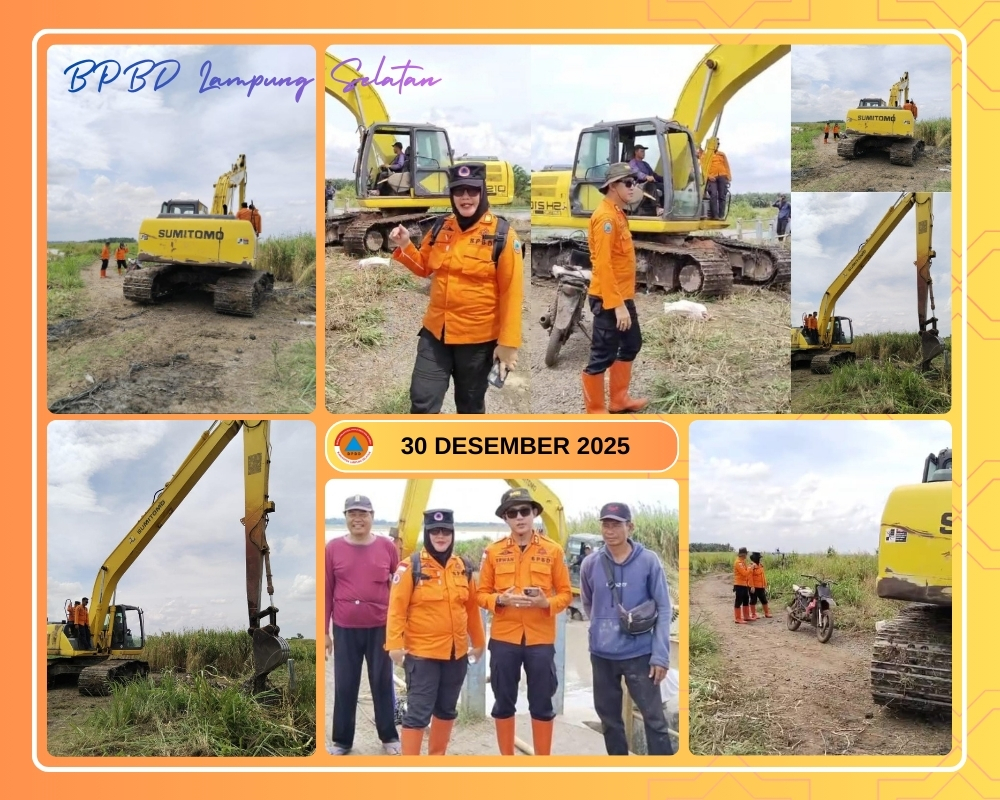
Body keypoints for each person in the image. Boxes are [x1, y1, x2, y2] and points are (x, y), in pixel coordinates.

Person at [388, 163, 523, 415]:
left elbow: (512, 293)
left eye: (472, 190)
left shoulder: (503, 235)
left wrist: (508, 344)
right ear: (451, 195)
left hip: (477, 341)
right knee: (422, 402)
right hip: (435, 334)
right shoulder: (441, 227)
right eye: (458, 191)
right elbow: (424, 267)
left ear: (482, 193)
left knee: (470, 407)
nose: (465, 197)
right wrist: (405, 244)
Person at [477, 487, 573, 756]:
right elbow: (480, 594)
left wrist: (546, 604)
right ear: (505, 518)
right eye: (512, 513)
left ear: (534, 514)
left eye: (524, 511)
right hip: (504, 638)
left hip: (540, 639)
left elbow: (566, 594)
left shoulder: (553, 551)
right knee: (503, 702)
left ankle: (542, 763)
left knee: (542, 703)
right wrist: (499, 600)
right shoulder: (493, 552)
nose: (519, 517)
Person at [386, 509, 486, 755]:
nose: (440, 536)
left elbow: (472, 608)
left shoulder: (462, 567)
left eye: (445, 531)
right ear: (427, 534)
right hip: (422, 655)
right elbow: (396, 609)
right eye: (434, 531)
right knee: (418, 713)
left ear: (452, 534)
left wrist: (480, 642)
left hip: (456, 655)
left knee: (447, 709)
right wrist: (394, 646)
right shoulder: (411, 567)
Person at [580, 502, 674, 756]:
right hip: (602, 656)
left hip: (640, 655)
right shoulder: (590, 564)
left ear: (629, 527)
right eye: (605, 524)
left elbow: (664, 609)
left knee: (655, 721)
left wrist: (660, 655)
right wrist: (602, 629)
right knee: (609, 721)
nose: (609, 530)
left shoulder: (648, 561)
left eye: (616, 525)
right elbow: (589, 603)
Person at [324, 494, 401, 756]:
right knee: (345, 684)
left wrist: (399, 630)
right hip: (345, 628)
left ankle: (389, 736)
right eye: (352, 513)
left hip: (380, 626)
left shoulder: (387, 547)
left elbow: (398, 588)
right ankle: (342, 741)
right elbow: (326, 591)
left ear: (372, 516)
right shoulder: (332, 548)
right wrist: (324, 632)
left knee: (381, 681)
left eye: (363, 514)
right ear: (345, 517)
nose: (358, 518)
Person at [581, 162, 648, 414]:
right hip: (608, 298)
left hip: (622, 296)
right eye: (628, 183)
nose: (633, 188)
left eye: (635, 183)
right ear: (612, 186)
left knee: (632, 344)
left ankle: (618, 400)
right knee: (602, 355)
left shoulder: (618, 213)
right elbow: (604, 264)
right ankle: (595, 412)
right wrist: (618, 305)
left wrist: (624, 300)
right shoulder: (606, 218)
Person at [706, 143, 731, 220]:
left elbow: (726, 165)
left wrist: (728, 177)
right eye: (714, 144)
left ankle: (721, 215)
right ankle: (715, 215)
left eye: (717, 145)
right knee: (713, 195)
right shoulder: (706, 155)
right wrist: (708, 176)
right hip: (712, 177)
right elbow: (703, 168)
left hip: (722, 176)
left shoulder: (722, 154)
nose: (715, 146)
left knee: (722, 196)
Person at [733, 547, 753, 624]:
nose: (746, 556)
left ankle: (746, 616)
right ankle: (737, 618)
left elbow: (746, 571)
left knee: (746, 599)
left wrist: (749, 567)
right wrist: (750, 568)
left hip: (744, 584)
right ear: (743, 554)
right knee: (739, 600)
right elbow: (744, 573)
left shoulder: (743, 562)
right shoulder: (738, 563)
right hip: (739, 584)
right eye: (746, 554)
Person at [748, 552, 771, 619]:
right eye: (758, 558)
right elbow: (749, 577)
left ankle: (767, 613)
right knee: (753, 600)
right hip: (754, 587)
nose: (759, 559)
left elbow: (763, 577)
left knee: (764, 600)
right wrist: (752, 586)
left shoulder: (760, 566)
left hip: (761, 586)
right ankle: (753, 614)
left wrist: (765, 585)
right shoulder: (751, 566)